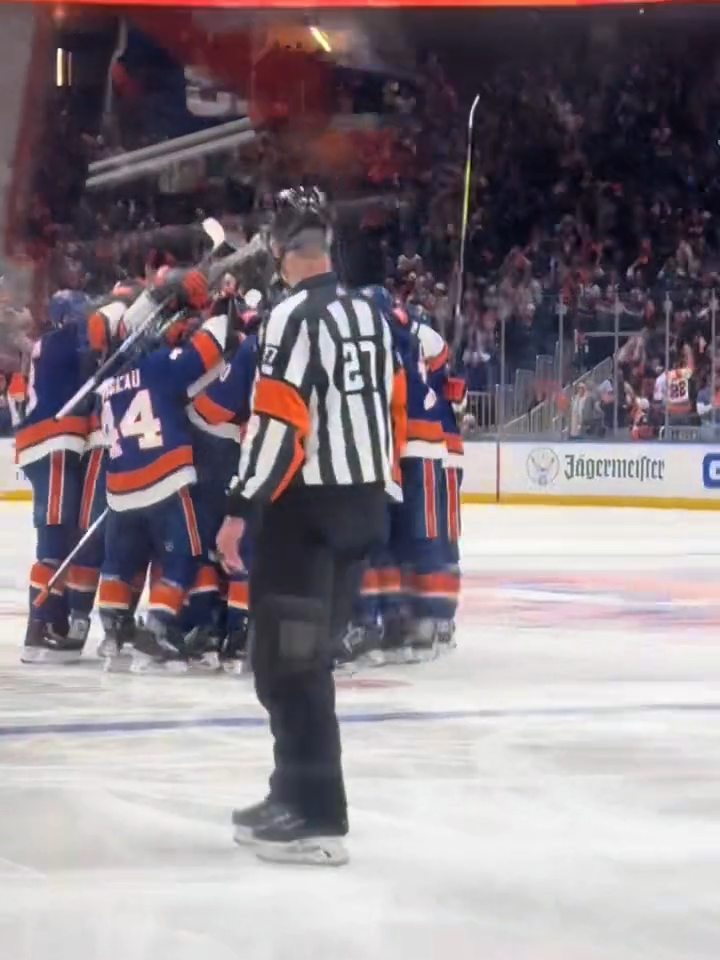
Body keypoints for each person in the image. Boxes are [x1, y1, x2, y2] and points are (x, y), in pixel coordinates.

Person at [216, 187, 397, 866]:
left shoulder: (289, 317)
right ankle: (291, 789)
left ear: (284, 252)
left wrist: (239, 506)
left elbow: (279, 424)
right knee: (306, 661)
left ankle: (316, 812)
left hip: (306, 515)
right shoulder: (372, 313)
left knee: (289, 665)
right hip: (360, 506)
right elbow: (385, 409)